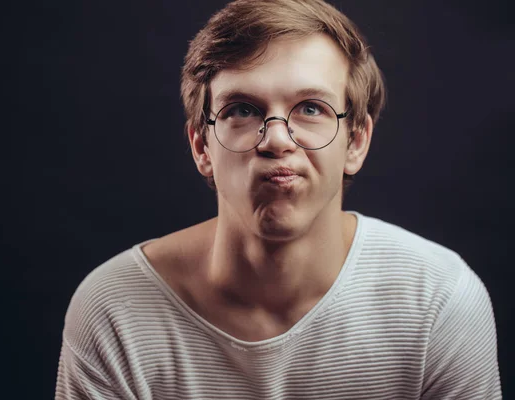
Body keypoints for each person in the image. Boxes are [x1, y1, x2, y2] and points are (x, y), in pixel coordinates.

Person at [55, 0, 501, 398]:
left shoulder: (439, 301)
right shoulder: (114, 310)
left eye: (311, 108)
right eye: (242, 110)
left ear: (357, 141)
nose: (276, 140)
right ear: (201, 147)